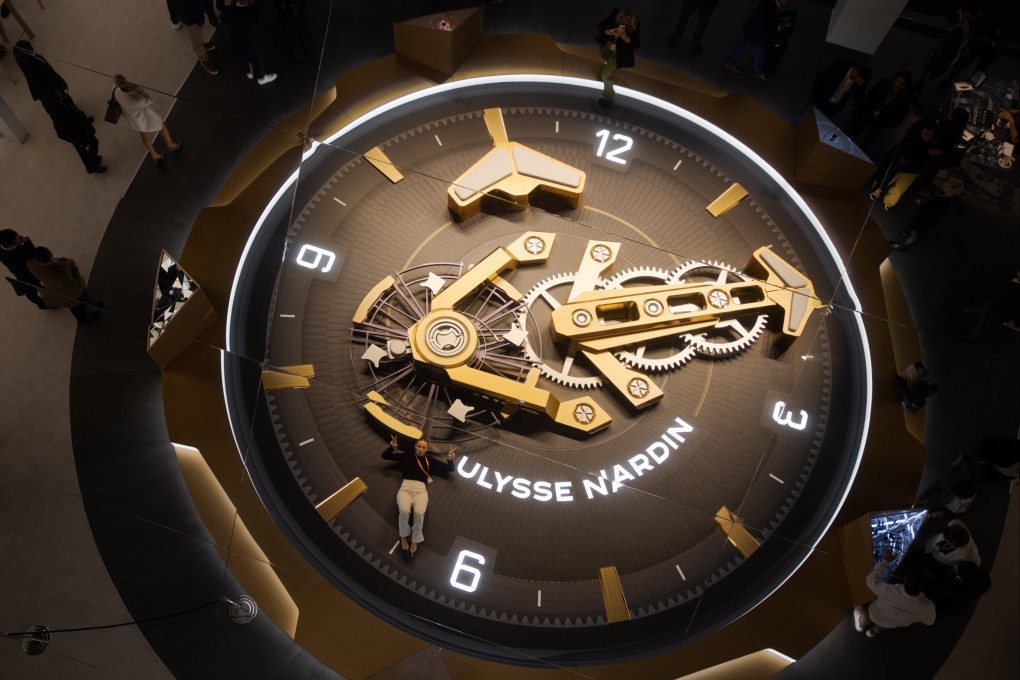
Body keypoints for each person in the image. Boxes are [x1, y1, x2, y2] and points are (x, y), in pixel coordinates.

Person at [382, 433, 456, 558]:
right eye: (419, 446)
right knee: (404, 511)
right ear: (415, 446)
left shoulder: (429, 460)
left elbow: (450, 469)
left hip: (421, 490)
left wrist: (450, 459)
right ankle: (404, 537)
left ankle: (415, 540)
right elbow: (385, 456)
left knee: (419, 514)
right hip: (405, 488)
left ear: (427, 449)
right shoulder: (406, 456)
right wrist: (392, 447)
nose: (421, 449)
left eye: (424, 447)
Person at [853, 549, 936, 638]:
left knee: (866, 617)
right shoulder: (928, 606)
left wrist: (886, 561)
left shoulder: (890, 591)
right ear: (922, 588)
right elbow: (929, 621)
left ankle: (861, 625)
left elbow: (870, 580)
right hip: (891, 624)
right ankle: (872, 632)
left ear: (904, 581)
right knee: (882, 626)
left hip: (874, 614)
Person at [867, 118, 940, 210]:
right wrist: (926, 152)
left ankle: (889, 203)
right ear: (919, 131)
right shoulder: (911, 140)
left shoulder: (931, 144)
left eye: (931, 134)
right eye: (925, 133)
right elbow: (907, 152)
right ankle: (875, 192)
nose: (928, 136)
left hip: (913, 170)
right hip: (901, 167)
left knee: (899, 189)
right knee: (886, 178)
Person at [113, 75, 182, 162]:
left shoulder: (115, 90)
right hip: (144, 117)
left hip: (133, 119)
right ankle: (170, 144)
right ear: (126, 82)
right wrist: (138, 88)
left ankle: (155, 155)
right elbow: (149, 100)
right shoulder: (137, 100)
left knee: (144, 136)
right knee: (162, 126)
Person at [25, 247, 102, 325]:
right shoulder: (60, 273)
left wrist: (59, 261)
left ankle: (88, 304)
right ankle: (84, 320)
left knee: (81, 301)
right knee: (77, 307)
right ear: (50, 253)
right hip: (68, 294)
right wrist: (73, 267)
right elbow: (77, 288)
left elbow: (48, 266)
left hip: (53, 290)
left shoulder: (31, 264)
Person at [888, 174, 964, 251]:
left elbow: (930, 211)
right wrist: (928, 195)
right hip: (924, 215)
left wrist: (920, 203)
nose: (944, 184)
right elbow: (935, 196)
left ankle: (902, 246)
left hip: (926, 219)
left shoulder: (943, 201)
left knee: (915, 232)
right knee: (914, 226)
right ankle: (911, 232)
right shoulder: (947, 194)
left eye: (947, 184)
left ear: (951, 189)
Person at [38, 89, 106, 174]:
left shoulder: (61, 105)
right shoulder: (59, 116)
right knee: (93, 143)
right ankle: (93, 166)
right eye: (57, 95)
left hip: (80, 132)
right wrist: (77, 140)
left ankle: (92, 163)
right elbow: (61, 133)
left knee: (85, 150)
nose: (60, 95)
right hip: (79, 136)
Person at [723, 0, 790, 81]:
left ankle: (731, 64)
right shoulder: (772, 6)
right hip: (759, 34)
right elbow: (768, 24)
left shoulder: (769, 3)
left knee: (745, 46)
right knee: (759, 53)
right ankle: (758, 73)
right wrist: (779, 27)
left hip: (752, 30)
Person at [849, 70, 913, 148]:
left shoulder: (905, 98)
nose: (898, 85)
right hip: (871, 111)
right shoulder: (885, 83)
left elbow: (902, 113)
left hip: (883, 119)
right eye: (898, 81)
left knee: (870, 137)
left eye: (902, 84)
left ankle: (862, 148)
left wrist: (891, 124)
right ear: (895, 79)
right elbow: (871, 94)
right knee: (858, 128)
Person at [220, 0, 277, 85]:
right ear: (249, 1)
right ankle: (262, 78)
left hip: (237, 39)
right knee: (257, 56)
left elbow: (223, 18)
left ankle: (248, 71)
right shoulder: (255, 14)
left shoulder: (228, 11)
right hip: (253, 41)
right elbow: (261, 26)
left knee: (242, 53)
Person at [596, 7, 640, 105]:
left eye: (627, 19)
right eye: (622, 17)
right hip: (606, 47)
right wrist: (609, 31)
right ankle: (608, 65)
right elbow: (600, 25)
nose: (624, 20)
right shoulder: (615, 14)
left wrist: (625, 37)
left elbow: (636, 44)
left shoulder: (635, 25)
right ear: (619, 15)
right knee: (604, 59)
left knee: (605, 75)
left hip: (618, 54)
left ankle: (608, 95)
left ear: (631, 20)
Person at [167, 0, 220, 74]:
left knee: (198, 35)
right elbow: (176, 6)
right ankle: (203, 58)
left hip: (197, 11)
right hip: (190, 18)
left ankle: (199, 47)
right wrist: (189, 21)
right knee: (196, 37)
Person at [0, 229, 49, 309]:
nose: (20, 237)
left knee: (38, 287)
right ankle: (42, 304)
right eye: (17, 238)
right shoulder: (14, 257)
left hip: (27, 270)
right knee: (31, 292)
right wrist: (26, 243)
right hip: (26, 275)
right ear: (10, 245)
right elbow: (33, 255)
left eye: (17, 235)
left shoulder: (5, 245)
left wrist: (24, 241)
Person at [922, 561, 991, 617]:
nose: (956, 565)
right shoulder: (970, 593)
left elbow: (931, 586)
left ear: (961, 573)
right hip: (941, 611)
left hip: (930, 605)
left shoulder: (949, 583)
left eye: (958, 566)